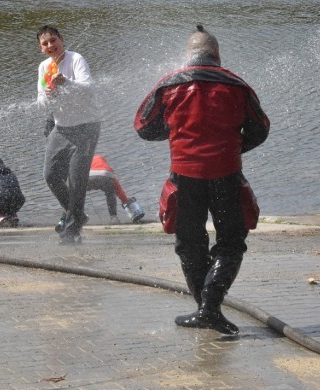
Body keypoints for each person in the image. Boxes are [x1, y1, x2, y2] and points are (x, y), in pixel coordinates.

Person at [134, 25, 270, 335]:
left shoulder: (168, 85)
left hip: (184, 177)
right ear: (217, 55)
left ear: (188, 56)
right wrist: (233, 147)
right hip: (227, 176)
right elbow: (260, 129)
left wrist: (176, 136)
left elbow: (143, 126)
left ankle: (205, 309)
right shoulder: (237, 85)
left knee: (190, 245)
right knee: (231, 243)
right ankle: (209, 309)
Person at [36, 25, 101, 244]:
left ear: (62, 39)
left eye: (53, 40)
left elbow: (88, 88)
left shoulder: (75, 59)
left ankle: (72, 232)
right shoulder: (44, 67)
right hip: (61, 128)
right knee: (51, 175)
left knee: (76, 180)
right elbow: (41, 103)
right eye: (45, 44)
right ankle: (78, 215)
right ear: (41, 48)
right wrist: (48, 94)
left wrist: (66, 83)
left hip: (86, 127)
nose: (50, 46)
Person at [86, 154, 144, 224]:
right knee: (110, 193)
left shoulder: (84, 159)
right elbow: (117, 187)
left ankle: (78, 216)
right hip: (105, 175)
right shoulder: (103, 164)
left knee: (79, 194)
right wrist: (124, 199)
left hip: (88, 177)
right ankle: (114, 218)